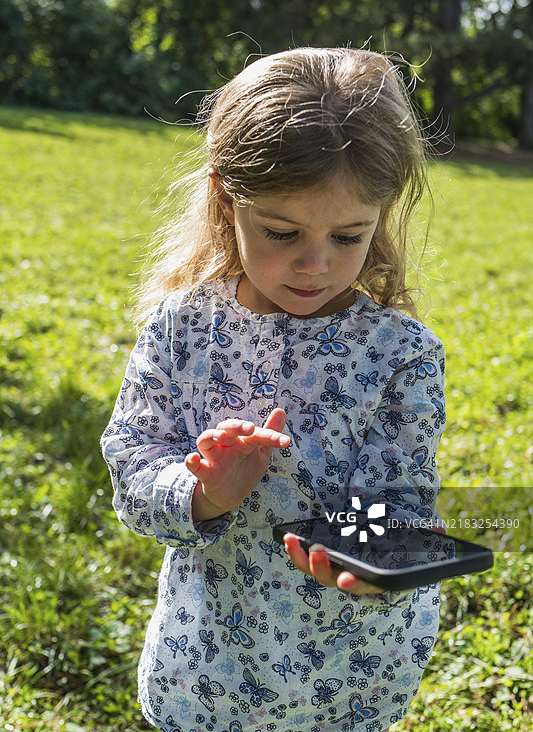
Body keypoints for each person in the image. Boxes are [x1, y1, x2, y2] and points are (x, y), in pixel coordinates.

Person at [101, 47, 446, 732]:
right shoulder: (182, 328)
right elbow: (132, 465)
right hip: (211, 659)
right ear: (225, 196)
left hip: (351, 663)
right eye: (282, 233)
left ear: (381, 216)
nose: (315, 263)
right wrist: (203, 493)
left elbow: (401, 499)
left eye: (348, 235)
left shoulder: (401, 355)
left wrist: (379, 554)